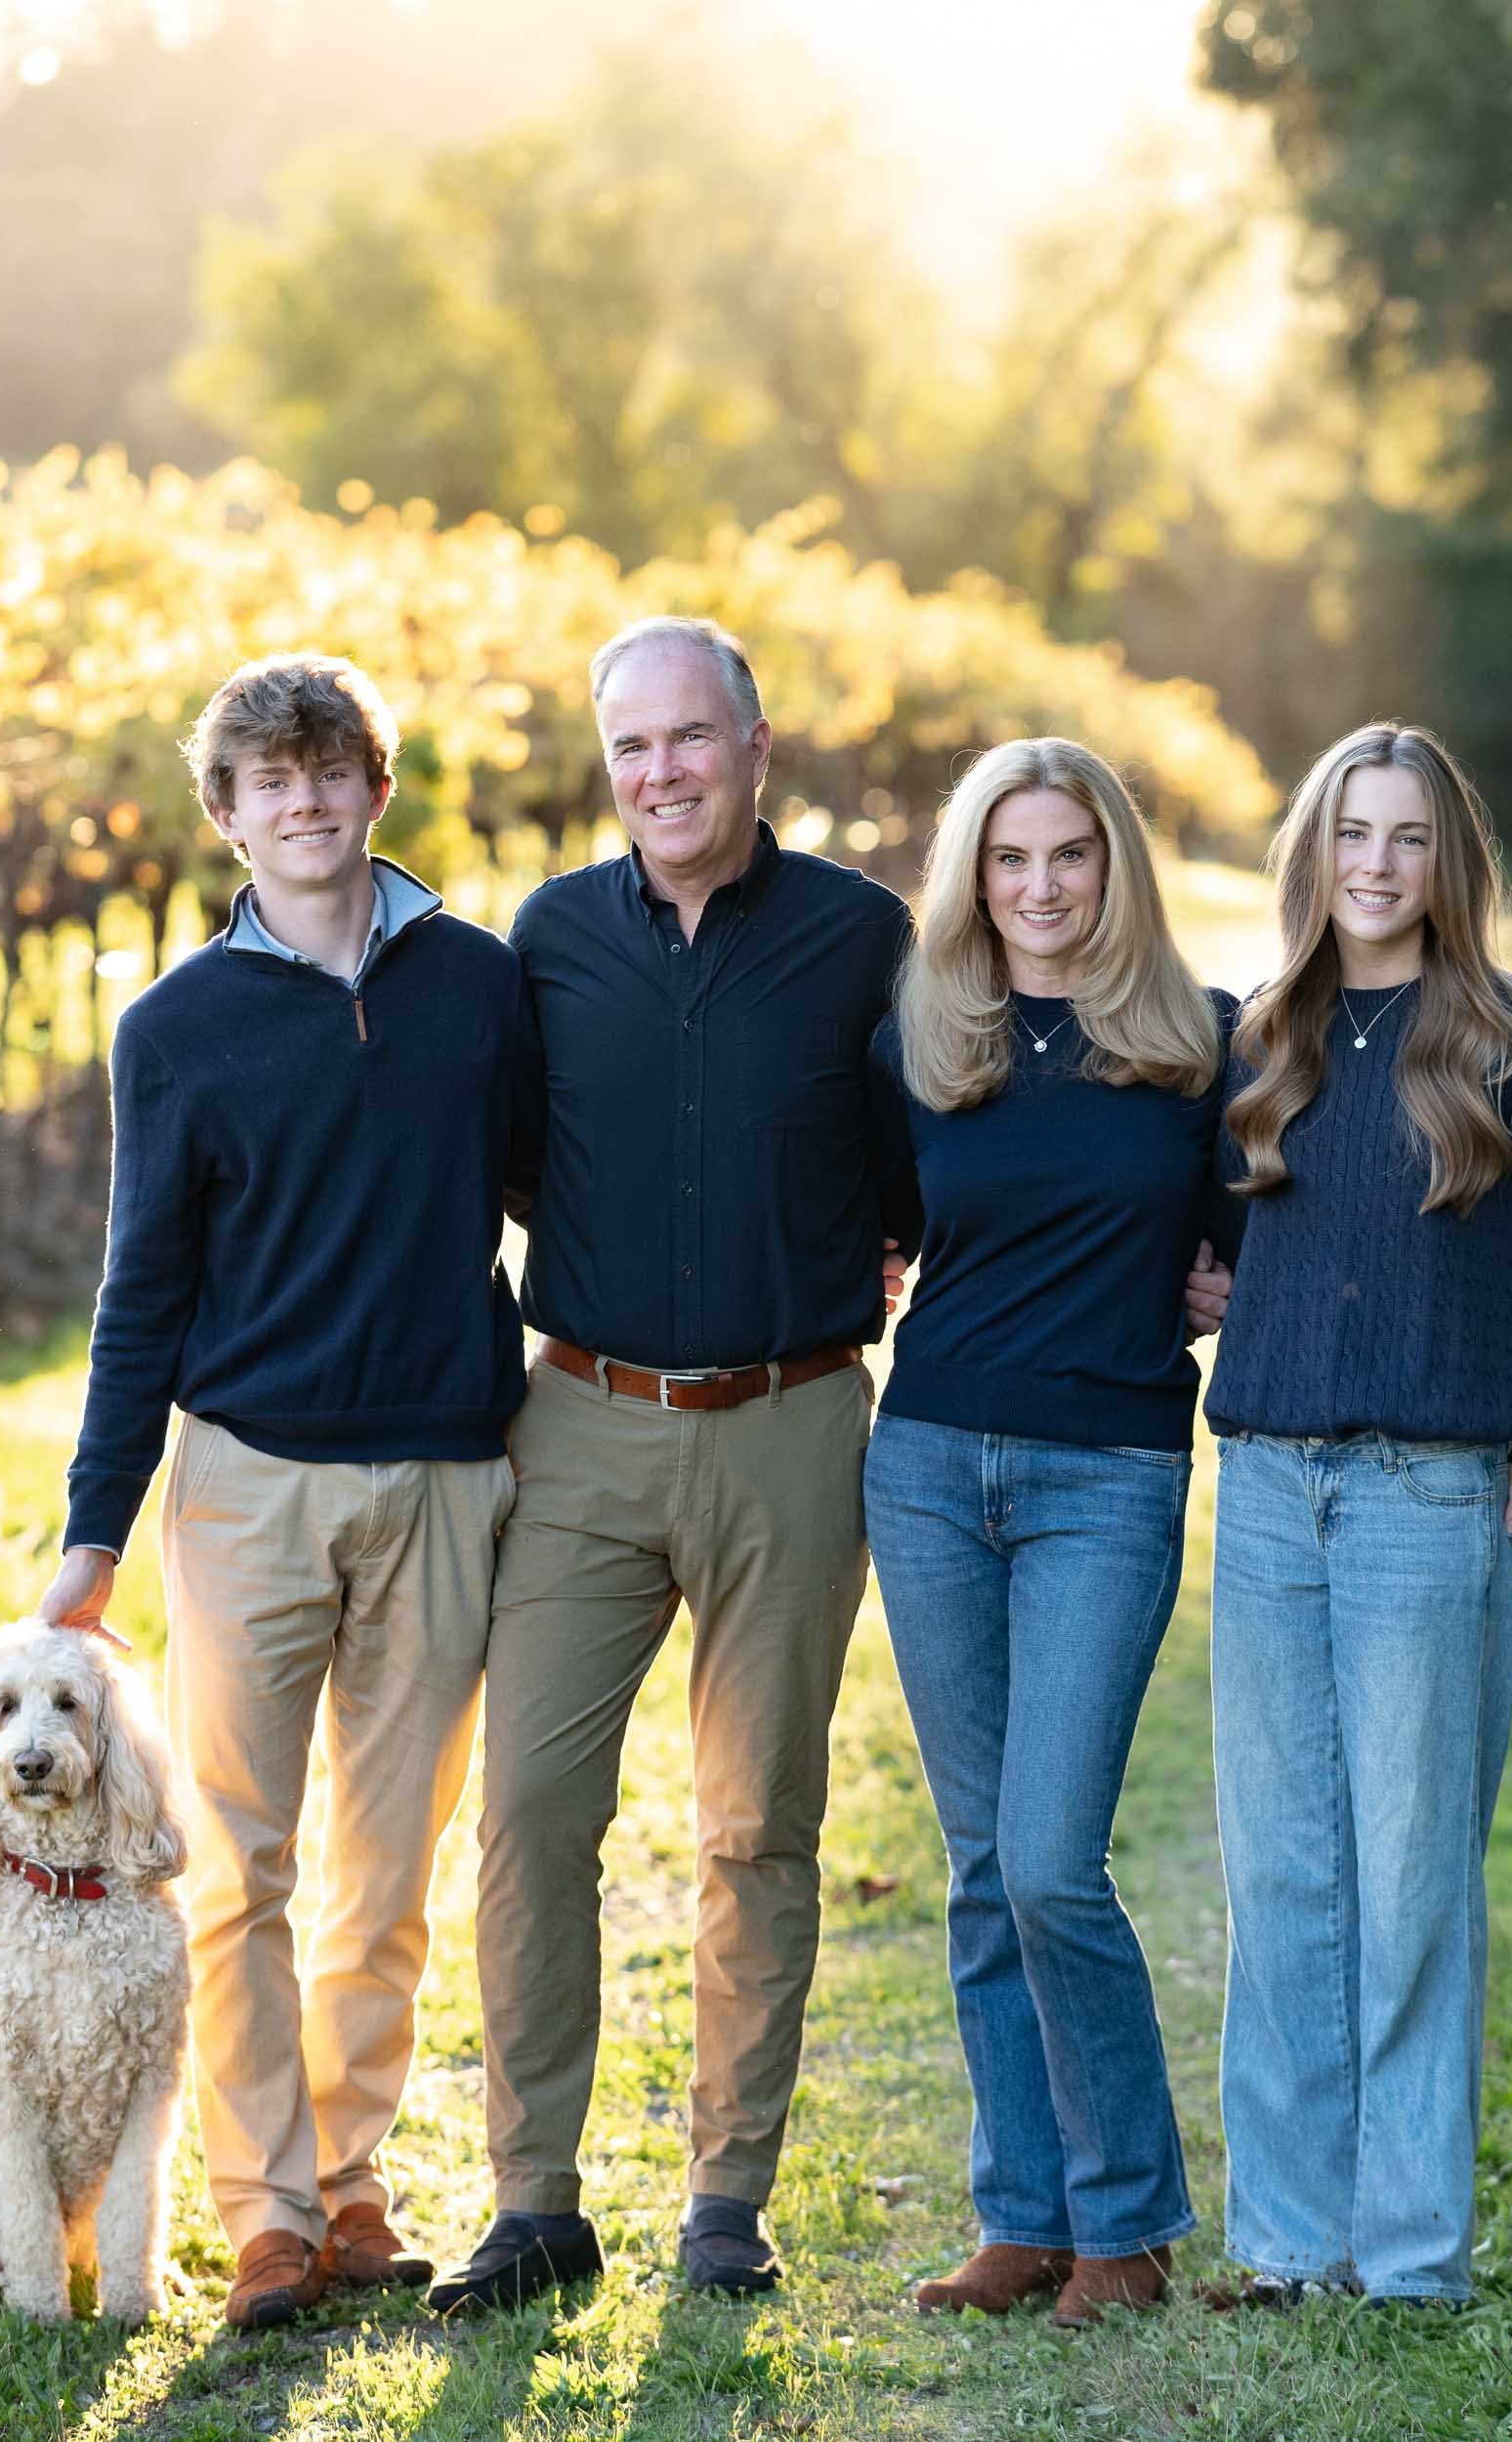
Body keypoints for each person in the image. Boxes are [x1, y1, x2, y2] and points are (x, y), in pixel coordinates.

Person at [37, 654, 541, 2331]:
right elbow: (141, 1293)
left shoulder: (479, 982)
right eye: (270, 779)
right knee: (238, 1861)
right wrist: (94, 1532)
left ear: (376, 789)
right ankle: (262, 2216)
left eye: (333, 770)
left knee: (384, 1869)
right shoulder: (174, 1031)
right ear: (228, 816)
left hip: (451, 1478)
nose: (306, 801)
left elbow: (569, 1188)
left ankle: (351, 2190)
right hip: (247, 1487)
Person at [427, 616, 912, 2311]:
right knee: (533, 1810)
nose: (660, 775)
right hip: (579, 1429)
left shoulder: (865, 941)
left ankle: (727, 2199)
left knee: (759, 1824)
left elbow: (933, 1163)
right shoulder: (549, 938)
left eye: (690, 741)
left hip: (791, 1430)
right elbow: (485, 1159)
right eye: (630, 749)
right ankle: (536, 2202)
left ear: (757, 749)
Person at [1197, 721, 1512, 2307]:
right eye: (1352, 833)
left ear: (1448, 861)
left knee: (1408, 1882)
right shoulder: (1264, 1034)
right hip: (1268, 1495)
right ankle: (1284, 2242)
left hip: (1430, 1501)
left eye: (1409, 837)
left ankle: (1406, 2253)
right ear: (1315, 853)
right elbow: (1225, 1239)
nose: (1377, 865)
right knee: (1279, 1877)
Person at [861, 737, 1237, 2331]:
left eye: (1067, 855)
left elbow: (1259, 1229)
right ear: (973, 875)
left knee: (1052, 1860)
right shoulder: (925, 1038)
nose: (1038, 887)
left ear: (1113, 866)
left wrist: (1225, 1285)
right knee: (975, 1865)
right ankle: (1021, 2215)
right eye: (1007, 860)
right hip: (933, 1462)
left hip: (1108, 1474)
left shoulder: (1203, 1040)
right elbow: (882, 1227)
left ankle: (1129, 2220)